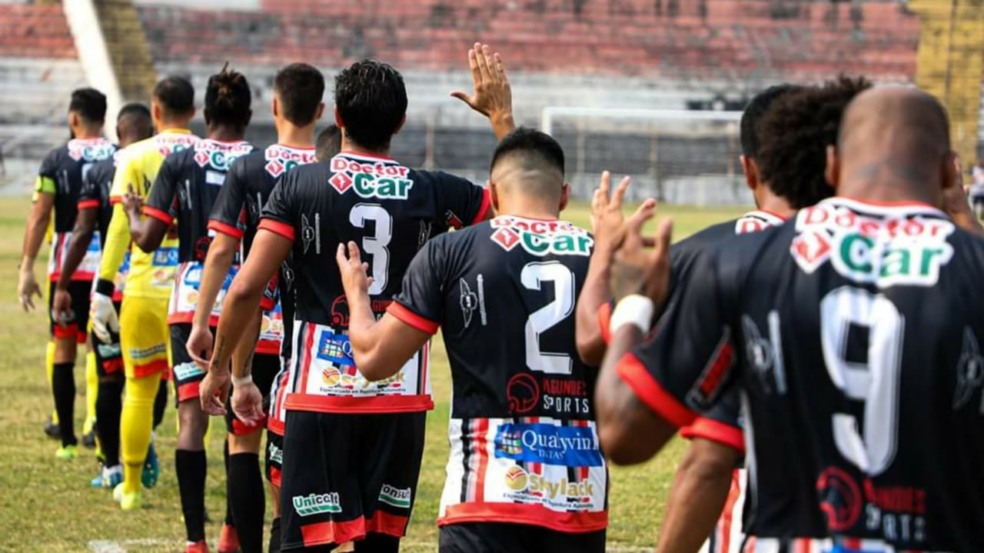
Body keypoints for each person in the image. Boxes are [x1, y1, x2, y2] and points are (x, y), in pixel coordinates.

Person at [595, 87, 984, 551]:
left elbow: (622, 433)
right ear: (946, 172)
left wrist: (634, 302)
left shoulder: (742, 262)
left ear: (833, 165)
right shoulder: (973, 268)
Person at [204, 45, 514, 551]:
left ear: (340, 116)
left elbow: (245, 287)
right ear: (401, 122)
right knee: (378, 545)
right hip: (399, 396)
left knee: (302, 542)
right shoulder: (432, 190)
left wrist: (221, 368)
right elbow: (517, 211)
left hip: (318, 396)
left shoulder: (299, 185)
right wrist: (501, 119)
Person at [337, 128, 607, 553]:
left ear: (493, 193)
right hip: (580, 499)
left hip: (486, 495)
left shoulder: (452, 251)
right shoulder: (601, 255)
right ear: (564, 195)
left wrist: (357, 294)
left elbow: (373, 360)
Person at [194, 62, 326, 553]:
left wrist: (203, 322)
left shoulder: (249, 167)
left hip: (254, 328)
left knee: (243, 443)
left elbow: (223, 253)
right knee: (288, 457)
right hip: (308, 340)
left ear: (274, 106)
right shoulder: (328, 169)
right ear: (319, 110)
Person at [123, 66, 253, 553]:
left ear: (206, 111)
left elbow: (148, 239)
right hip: (245, 298)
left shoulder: (180, 160)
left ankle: (193, 539)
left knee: (191, 418)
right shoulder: (259, 161)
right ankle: (230, 533)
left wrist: (135, 212)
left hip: (191, 298)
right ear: (251, 115)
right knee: (241, 419)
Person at [90, 75, 198, 510]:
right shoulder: (206, 154)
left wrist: (102, 286)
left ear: (155, 110)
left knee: (138, 387)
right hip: (191, 290)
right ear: (193, 113)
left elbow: (120, 227)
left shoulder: (134, 155)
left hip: (142, 286)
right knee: (191, 395)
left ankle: (131, 486)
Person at [51, 103, 155, 488]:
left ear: (118, 129)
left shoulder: (99, 171)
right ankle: (147, 440)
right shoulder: (161, 165)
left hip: (110, 288)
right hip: (153, 286)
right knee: (150, 378)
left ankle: (112, 465)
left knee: (109, 377)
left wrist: (62, 285)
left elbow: (81, 233)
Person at [19, 88, 115, 458]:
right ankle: (95, 424)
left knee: (63, 348)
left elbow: (40, 213)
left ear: (73, 118)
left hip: (67, 269)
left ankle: (67, 439)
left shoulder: (56, 158)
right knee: (98, 346)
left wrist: (27, 265)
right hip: (108, 267)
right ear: (103, 118)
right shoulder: (118, 156)